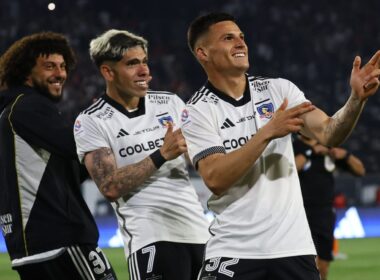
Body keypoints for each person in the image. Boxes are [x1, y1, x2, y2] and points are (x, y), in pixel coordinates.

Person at [182, 12, 380, 280]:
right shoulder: (197, 111)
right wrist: (267, 132)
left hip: (293, 249)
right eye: (228, 38)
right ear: (203, 53)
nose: (241, 43)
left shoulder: (279, 91)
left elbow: (328, 133)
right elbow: (216, 178)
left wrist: (355, 100)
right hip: (234, 250)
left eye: (242, 37)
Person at [74, 29, 210, 280]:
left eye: (145, 62)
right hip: (150, 239)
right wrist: (161, 154)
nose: (144, 71)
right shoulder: (91, 121)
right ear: (108, 72)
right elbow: (110, 186)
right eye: (132, 64)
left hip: (200, 234)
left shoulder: (170, 103)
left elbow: (202, 160)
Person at [0, 32, 117, 279]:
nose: (60, 73)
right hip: (60, 240)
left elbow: (72, 171)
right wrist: (115, 122)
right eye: (49, 66)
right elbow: (77, 146)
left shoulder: (11, 113)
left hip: (30, 247)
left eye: (63, 66)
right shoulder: (29, 106)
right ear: (25, 73)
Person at [293, 134, 365, 280]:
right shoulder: (293, 146)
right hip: (300, 213)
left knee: (324, 264)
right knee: (307, 263)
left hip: (325, 213)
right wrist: (311, 151)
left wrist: (345, 155)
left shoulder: (328, 147)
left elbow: (360, 171)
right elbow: (293, 167)